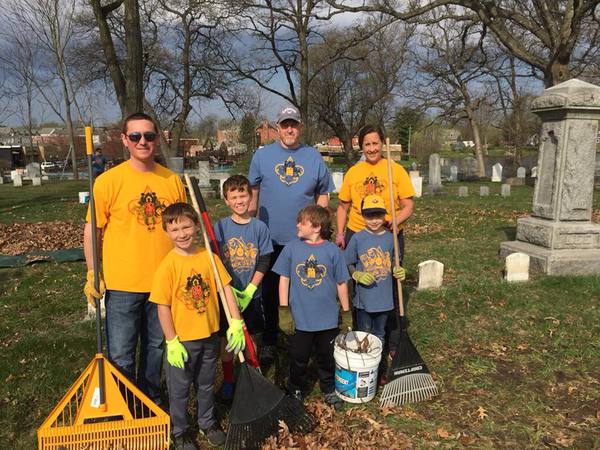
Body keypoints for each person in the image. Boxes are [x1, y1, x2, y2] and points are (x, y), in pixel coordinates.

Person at [83, 112, 186, 406]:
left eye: (149, 136)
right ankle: (122, 405)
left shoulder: (172, 181)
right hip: (123, 283)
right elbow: (93, 229)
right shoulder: (108, 182)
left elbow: (183, 228)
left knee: (155, 349)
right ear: (125, 140)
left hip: (163, 284)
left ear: (157, 140)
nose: (143, 142)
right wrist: (93, 272)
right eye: (136, 136)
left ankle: (149, 402)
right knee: (122, 353)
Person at [150, 202, 245, 449]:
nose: (182, 234)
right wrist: (171, 341)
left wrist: (235, 322)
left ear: (196, 226)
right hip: (182, 341)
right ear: (166, 232)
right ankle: (179, 430)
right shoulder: (167, 266)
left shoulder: (209, 258)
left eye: (186, 227)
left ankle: (207, 422)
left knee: (205, 384)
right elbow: (162, 306)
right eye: (175, 229)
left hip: (210, 336)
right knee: (179, 390)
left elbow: (225, 289)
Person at [248, 105, 334, 364]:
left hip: (304, 240)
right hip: (271, 239)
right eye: (285, 124)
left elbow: (324, 192)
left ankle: (303, 335)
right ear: (277, 128)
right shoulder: (262, 156)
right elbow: (252, 192)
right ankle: (271, 339)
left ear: (300, 127)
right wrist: (250, 223)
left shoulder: (312, 156)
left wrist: (318, 227)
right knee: (272, 293)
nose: (289, 129)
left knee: (305, 290)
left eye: (293, 124)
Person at [335, 124, 414, 382]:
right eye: (367, 144)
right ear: (361, 147)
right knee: (359, 285)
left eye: (375, 143)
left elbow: (408, 205)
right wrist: (339, 233)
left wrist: (394, 220)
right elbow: (343, 206)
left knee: (389, 284)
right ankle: (362, 336)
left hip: (388, 234)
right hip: (358, 233)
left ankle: (391, 340)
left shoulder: (395, 170)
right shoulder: (354, 172)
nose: (371, 149)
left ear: (383, 144)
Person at [273, 205, 350, 410]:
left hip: (327, 319)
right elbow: (284, 280)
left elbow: (341, 282)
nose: (297, 225)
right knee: (299, 358)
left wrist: (346, 311)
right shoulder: (291, 248)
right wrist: (283, 310)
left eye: (302, 222)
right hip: (300, 318)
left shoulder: (333, 251)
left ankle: (328, 389)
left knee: (326, 357)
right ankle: (295, 388)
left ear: (316, 227)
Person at [213, 174, 273, 401]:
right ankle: (228, 379)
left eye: (243, 195)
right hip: (227, 296)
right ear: (226, 200)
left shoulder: (259, 227)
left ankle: (251, 376)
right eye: (234, 197)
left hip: (251, 295)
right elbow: (214, 261)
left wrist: (250, 289)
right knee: (227, 340)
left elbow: (264, 259)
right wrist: (227, 290)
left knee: (250, 338)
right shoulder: (219, 228)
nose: (239, 201)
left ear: (250, 197)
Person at [344, 194, 406, 358]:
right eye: (369, 216)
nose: (374, 220)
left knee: (379, 333)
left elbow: (395, 262)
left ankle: (378, 366)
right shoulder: (358, 238)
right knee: (364, 333)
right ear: (362, 216)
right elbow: (347, 262)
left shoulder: (390, 238)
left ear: (385, 215)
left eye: (378, 215)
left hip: (384, 300)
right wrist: (356, 274)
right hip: (364, 300)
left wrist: (398, 270)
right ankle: (364, 363)